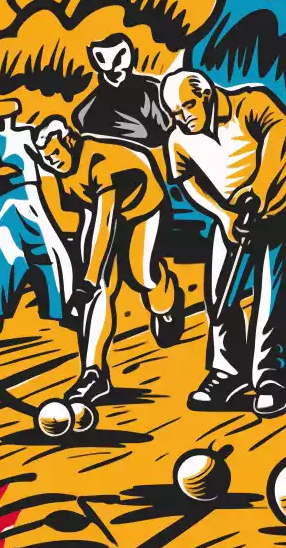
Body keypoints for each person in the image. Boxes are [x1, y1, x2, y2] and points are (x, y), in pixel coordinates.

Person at [161, 68, 286, 415]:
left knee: (273, 293)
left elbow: (278, 134)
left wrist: (260, 188)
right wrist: (223, 215)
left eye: (188, 107)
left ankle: (272, 377)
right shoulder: (178, 139)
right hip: (233, 219)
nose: (182, 118)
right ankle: (229, 373)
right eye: (175, 113)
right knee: (219, 295)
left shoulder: (251, 102)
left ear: (207, 95)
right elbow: (188, 182)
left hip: (284, 208)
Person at [34, 117, 185, 407]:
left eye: (55, 155)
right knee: (101, 290)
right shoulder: (63, 169)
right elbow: (88, 215)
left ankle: (166, 300)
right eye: (47, 160)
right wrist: (89, 280)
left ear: (69, 143)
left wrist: (89, 278)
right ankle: (94, 373)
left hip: (143, 206)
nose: (52, 163)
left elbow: (106, 221)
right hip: (102, 209)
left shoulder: (99, 163)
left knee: (141, 274)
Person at [0, 97, 75, 340]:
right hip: (5, 203)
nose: (6, 118)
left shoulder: (28, 133)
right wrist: (0, 173)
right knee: (1, 257)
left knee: (49, 253)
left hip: (32, 198)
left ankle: (61, 309)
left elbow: (46, 158)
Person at [75, 37, 171, 149]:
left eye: (121, 54)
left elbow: (164, 134)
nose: (115, 63)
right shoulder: (84, 114)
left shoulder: (154, 88)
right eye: (103, 57)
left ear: (131, 53)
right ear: (94, 60)